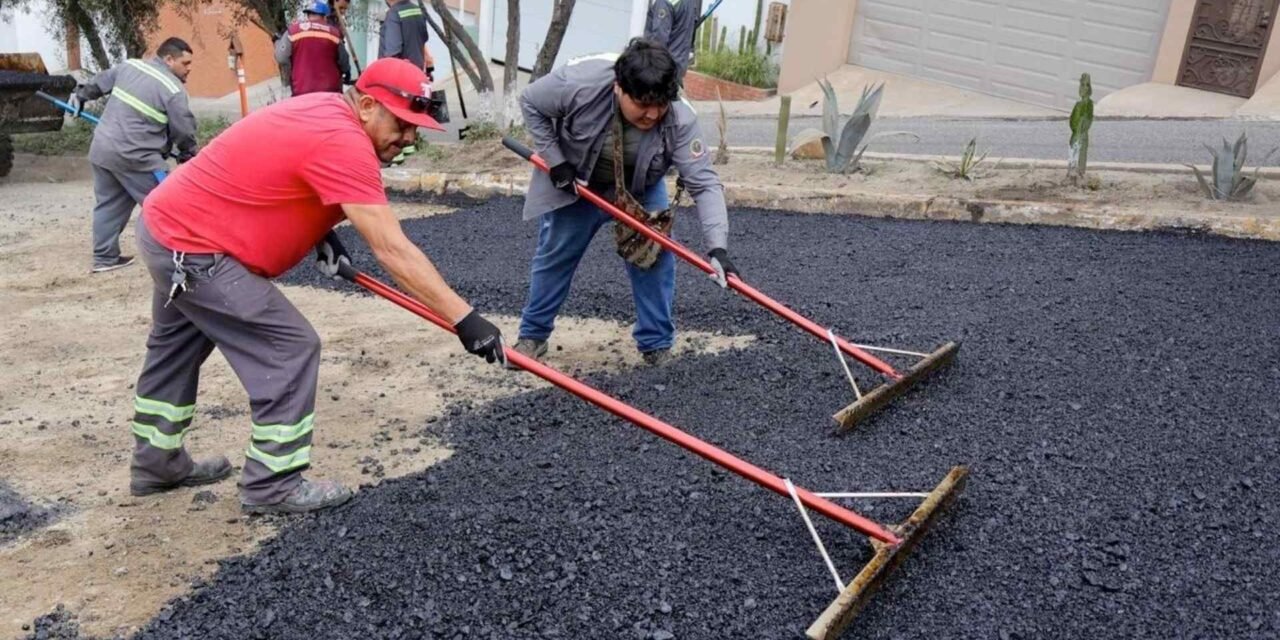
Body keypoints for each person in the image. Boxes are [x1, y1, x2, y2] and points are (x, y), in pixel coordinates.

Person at [127, 58, 506, 514]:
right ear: (367, 105)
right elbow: (392, 249)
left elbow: (279, 175)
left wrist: (320, 231)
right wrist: (464, 319)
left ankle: (156, 463)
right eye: (402, 125)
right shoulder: (344, 142)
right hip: (195, 248)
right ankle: (272, 485)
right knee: (289, 347)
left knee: (175, 348)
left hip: (168, 228)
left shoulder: (328, 111)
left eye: (415, 129)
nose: (408, 139)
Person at [513, 38, 739, 367]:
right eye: (643, 103)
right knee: (556, 255)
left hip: (641, 189)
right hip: (581, 184)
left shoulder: (679, 118)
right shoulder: (580, 84)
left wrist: (718, 248)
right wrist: (556, 161)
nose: (652, 113)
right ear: (619, 87)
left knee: (655, 258)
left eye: (660, 104)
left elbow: (704, 184)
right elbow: (530, 102)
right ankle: (532, 336)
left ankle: (656, 344)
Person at [69, 37, 197, 274]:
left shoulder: (130, 66)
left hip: (102, 150)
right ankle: (185, 256)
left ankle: (104, 258)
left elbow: (98, 83)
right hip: (137, 158)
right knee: (167, 203)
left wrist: (80, 95)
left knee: (110, 204)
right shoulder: (172, 90)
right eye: (185, 63)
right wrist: (189, 153)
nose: (189, 68)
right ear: (168, 59)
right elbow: (184, 129)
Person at [379, 0, 433, 162]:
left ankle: (396, 156)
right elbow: (423, 39)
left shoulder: (394, 14)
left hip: (397, 73)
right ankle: (408, 149)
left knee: (394, 114)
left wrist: (386, 74)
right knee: (409, 111)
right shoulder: (417, 11)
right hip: (415, 72)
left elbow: (392, 50)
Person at [275, 1, 351, 96]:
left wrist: (278, 42)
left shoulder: (293, 31)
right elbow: (344, 61)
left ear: (308, 15)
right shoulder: (334, 33)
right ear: (325, 17)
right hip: (330, 91)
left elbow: (281, 58)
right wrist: (347, 71)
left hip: (301, 91)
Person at [644, 0, 701, 84]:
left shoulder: (665, 3)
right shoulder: (691, 3)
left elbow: (658, 42)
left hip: (661, 72)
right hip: (677, 70)